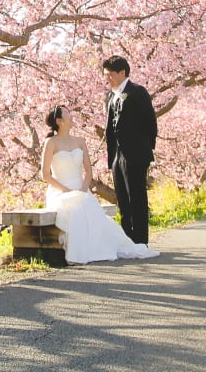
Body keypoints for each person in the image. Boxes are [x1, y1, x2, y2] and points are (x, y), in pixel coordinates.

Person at [41, 104, 158, 263]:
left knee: (89, 207)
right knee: (75, 209)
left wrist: (82, 188)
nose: (71, 116)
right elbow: (46, 175)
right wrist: (66, 191)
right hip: (59, 191)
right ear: (60, 121)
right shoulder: (51, 143)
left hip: (80, 188)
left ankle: (101, 247)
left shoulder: (80, 141)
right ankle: (82, 251)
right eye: (67, 114)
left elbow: (88, 171)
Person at [103, 54, 158, 246]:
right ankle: (127, 241)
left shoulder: (138, 92)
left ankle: (141, 242)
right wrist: (111, 158)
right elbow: (110, 128)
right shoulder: (112, 96)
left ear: (122, 72)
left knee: (137, 199)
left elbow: (151, 123)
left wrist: (144, 150)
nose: (107, 78)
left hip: (135, 155)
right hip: (118, 156)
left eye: (110, 74)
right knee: (123, 201)